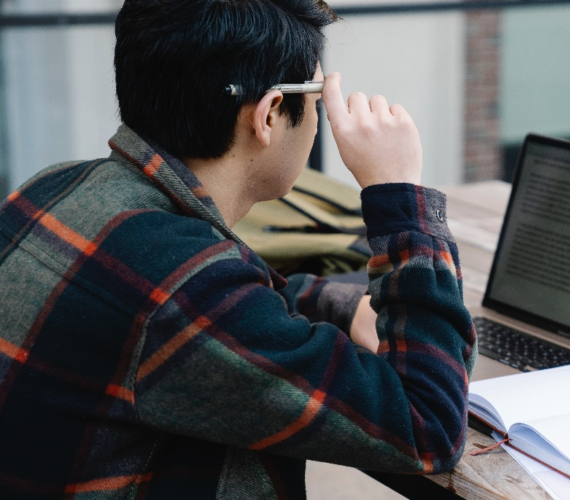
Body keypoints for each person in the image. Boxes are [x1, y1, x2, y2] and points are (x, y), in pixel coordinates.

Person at [0, 0, 476, 498]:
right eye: (318, 95)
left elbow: (222, 308)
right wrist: (400, 194)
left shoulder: (53, 187)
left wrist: (339, 304)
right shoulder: (186, 285)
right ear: (270, 114)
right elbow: (427, 429)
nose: (320, 116)